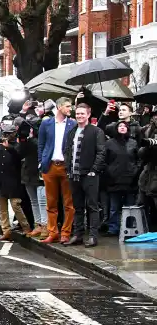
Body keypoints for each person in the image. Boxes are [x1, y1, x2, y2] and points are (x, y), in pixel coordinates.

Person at [63, 103, 106, 247]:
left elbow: (101, 152)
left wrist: (94, 169)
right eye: (78, 114)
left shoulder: (96, 131)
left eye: (82, 113)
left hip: (90, 175)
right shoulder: (72, 131)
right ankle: (78, 235)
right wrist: (67, 168)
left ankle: (93, 236)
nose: (80, 116)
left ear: (88, 115)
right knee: (77, 206)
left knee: (92, 206)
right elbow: (67, 150)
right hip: (74, 174)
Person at [37, 97, 77, 244]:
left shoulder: (73, 124)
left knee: (69, 203)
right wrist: (41, 162)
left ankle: (66, 232)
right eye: (67, 106)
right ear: (59, 107)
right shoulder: (46, 123)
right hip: (50, 165)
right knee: (51, 202)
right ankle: (53, 232)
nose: (70, 109)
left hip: (66, 166)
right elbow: (41, 144)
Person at [0, 131, 31, 241]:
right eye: (5, 133)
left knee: (16, 205)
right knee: (2, 208)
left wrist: (9, 147)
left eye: (10, 133)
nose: (7, 135)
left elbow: (19, 156)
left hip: (13, 180)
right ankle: (6, 231)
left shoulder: (17, 146)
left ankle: (26, 227)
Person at [105, 121, 139, 237]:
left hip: (130, 180)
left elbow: (138, 159)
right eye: (120, 126)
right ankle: (113, 228)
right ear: (116, 128)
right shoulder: (109, 143)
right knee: (114, 207)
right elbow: (105, 160)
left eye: (125, 126)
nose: (123, 128)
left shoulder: (133, 143)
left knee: (130, 206)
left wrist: (135, 171)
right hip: (114, 180)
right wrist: (109, 172)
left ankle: (130, 228)